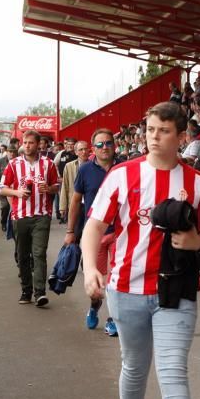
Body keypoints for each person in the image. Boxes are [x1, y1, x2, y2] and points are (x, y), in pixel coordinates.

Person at [81, 101, 200, 399]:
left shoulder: (197, 183)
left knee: (173, 371)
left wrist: (196, 241)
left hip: (176, 290)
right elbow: (95, 226)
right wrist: (91, 268)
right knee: (135, 367)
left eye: (164, 131)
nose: (154, 137)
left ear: (181, 137)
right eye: (151, 129)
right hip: (127, 289)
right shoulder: (123, 176)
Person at [65, 129, 118, 334]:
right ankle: (94, 308)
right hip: (94, 234)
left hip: (120, 234)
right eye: (99, 144)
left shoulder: (124, 167)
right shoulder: (85, 170)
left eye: (108, 143)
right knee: (96, 284)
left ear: (114, 145)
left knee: (115, 280)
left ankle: (113, 319)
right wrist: (70, 231)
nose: (104, 147)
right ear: (93, 147)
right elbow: (76, 201)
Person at [0, 130, 60, 307]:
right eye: (24, 143)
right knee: (23, 255)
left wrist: (48, 189)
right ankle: (26, 290)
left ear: (39, 144)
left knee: (39, 253)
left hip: (42, 215)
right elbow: (2, 188)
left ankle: (40, 292)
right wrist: (17, 192)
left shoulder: (48, 164)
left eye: (30, 143)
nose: (27, 146)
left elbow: (56, 185)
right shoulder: (13, 164)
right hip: (20, 215)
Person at [59, 140, 89, 224]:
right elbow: (65, 187)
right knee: (74, 233)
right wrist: (63, 207)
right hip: (74, 204)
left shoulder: (94, 165)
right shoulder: (69, 166)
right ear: (76, 152)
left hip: (90, 204)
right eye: (81, 150)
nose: (84, 152)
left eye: (86, 149)